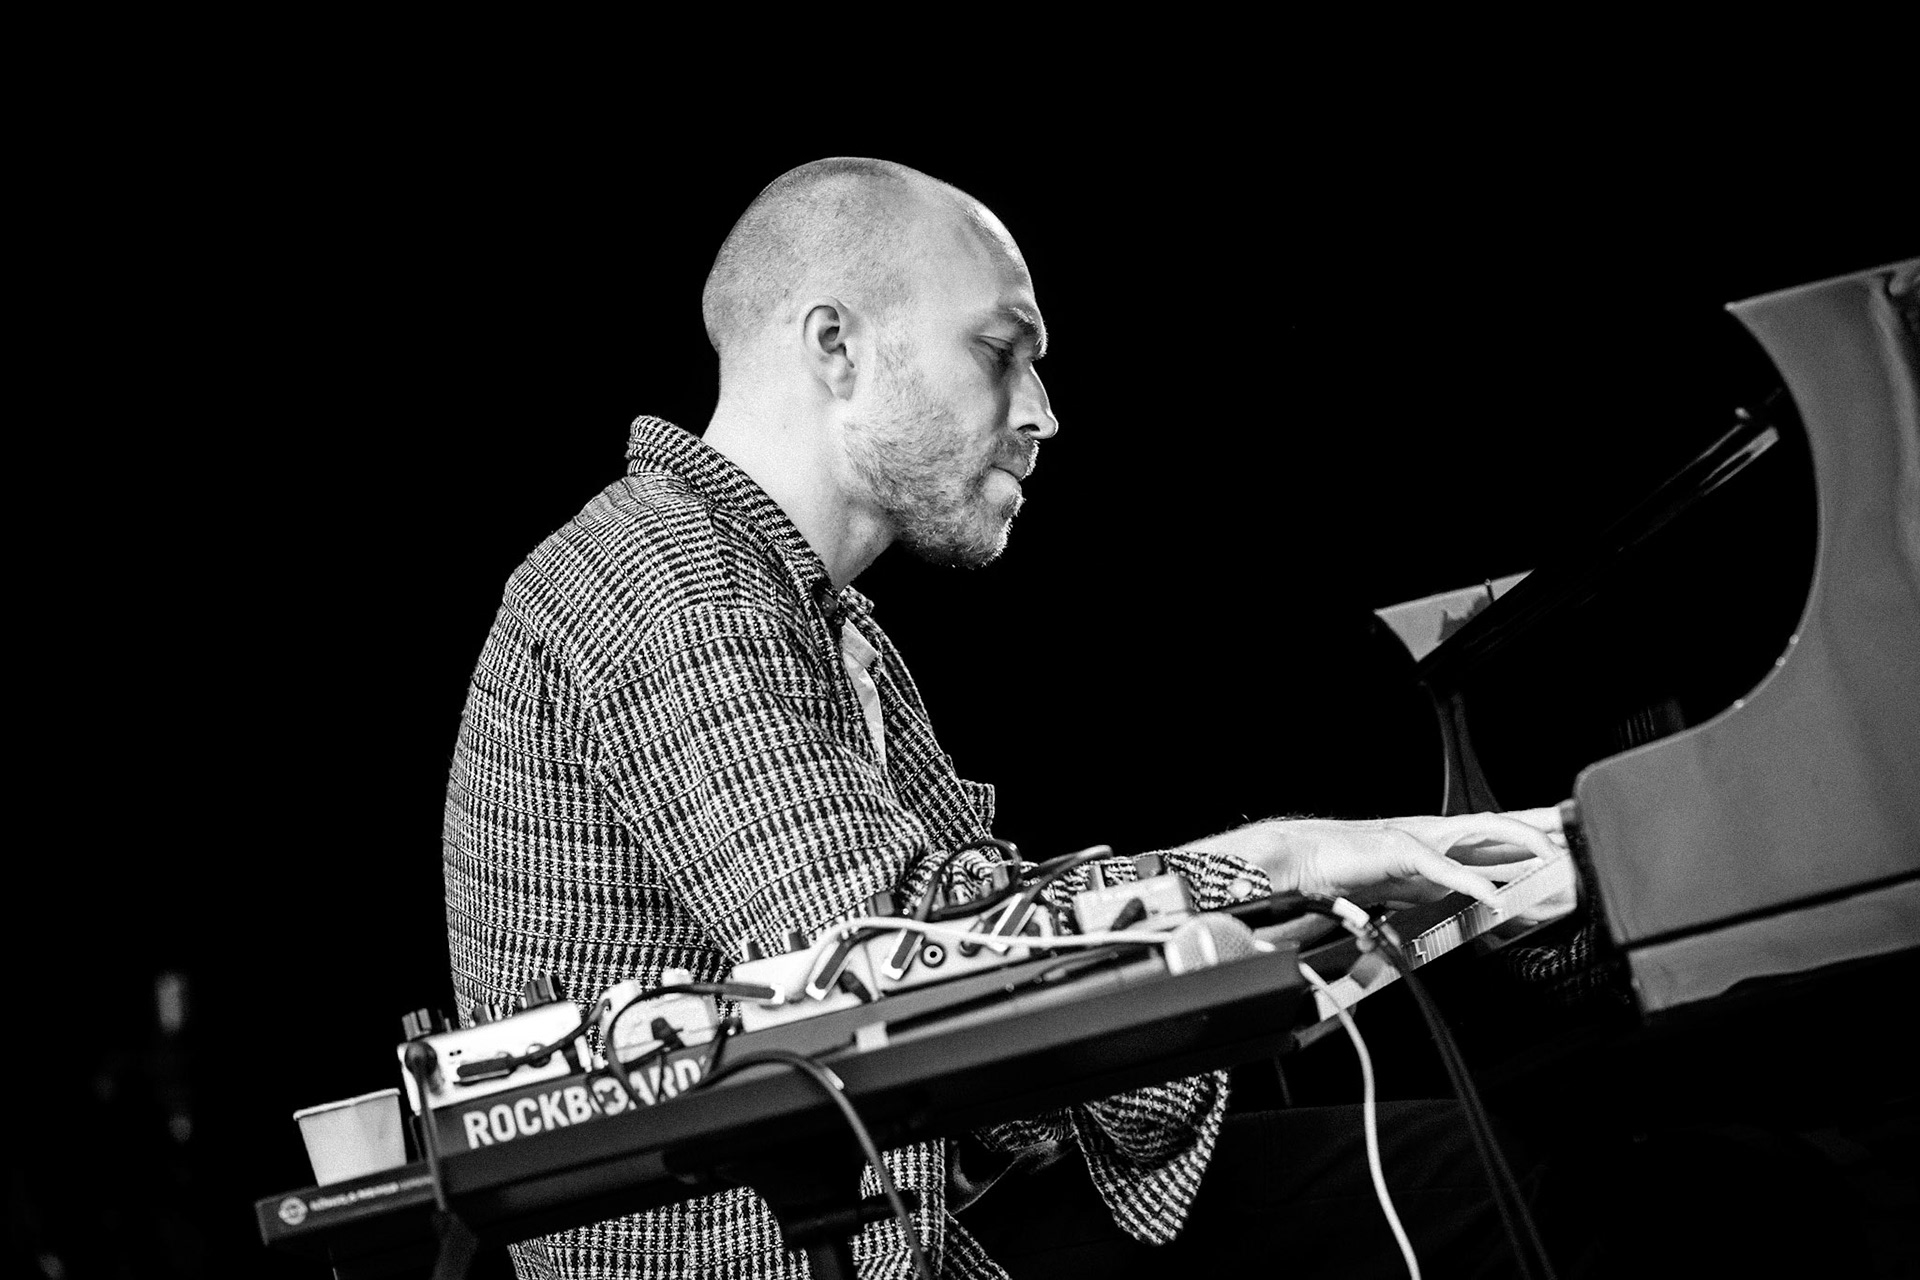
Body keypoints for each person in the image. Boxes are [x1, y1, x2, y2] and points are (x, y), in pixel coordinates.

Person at [442, 156, 1576, 1279]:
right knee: (1465, 1184)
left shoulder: (808, 610)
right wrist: (1278, 859)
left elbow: (978, 907)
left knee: (1449, 1164)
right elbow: (898, 960)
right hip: (827, 1249)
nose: (1042, 411)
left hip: (944, 1202)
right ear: (835, 346)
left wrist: (1281, 915)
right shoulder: (669, 588)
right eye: (1000, 351)